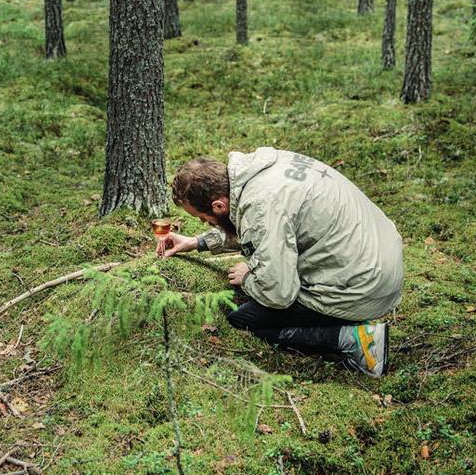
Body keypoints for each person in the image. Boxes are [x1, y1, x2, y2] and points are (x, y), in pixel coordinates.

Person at [156, 147, 404, 377]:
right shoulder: (260, 171)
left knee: (242, 321)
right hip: (376, 262)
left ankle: (355, 339)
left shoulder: (262, 204)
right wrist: (198, 242)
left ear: (218, 205)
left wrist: (249, 277)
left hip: (364, 285)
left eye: (201, 218)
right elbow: (257, 228)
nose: (203, 223)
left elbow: (278, 293)